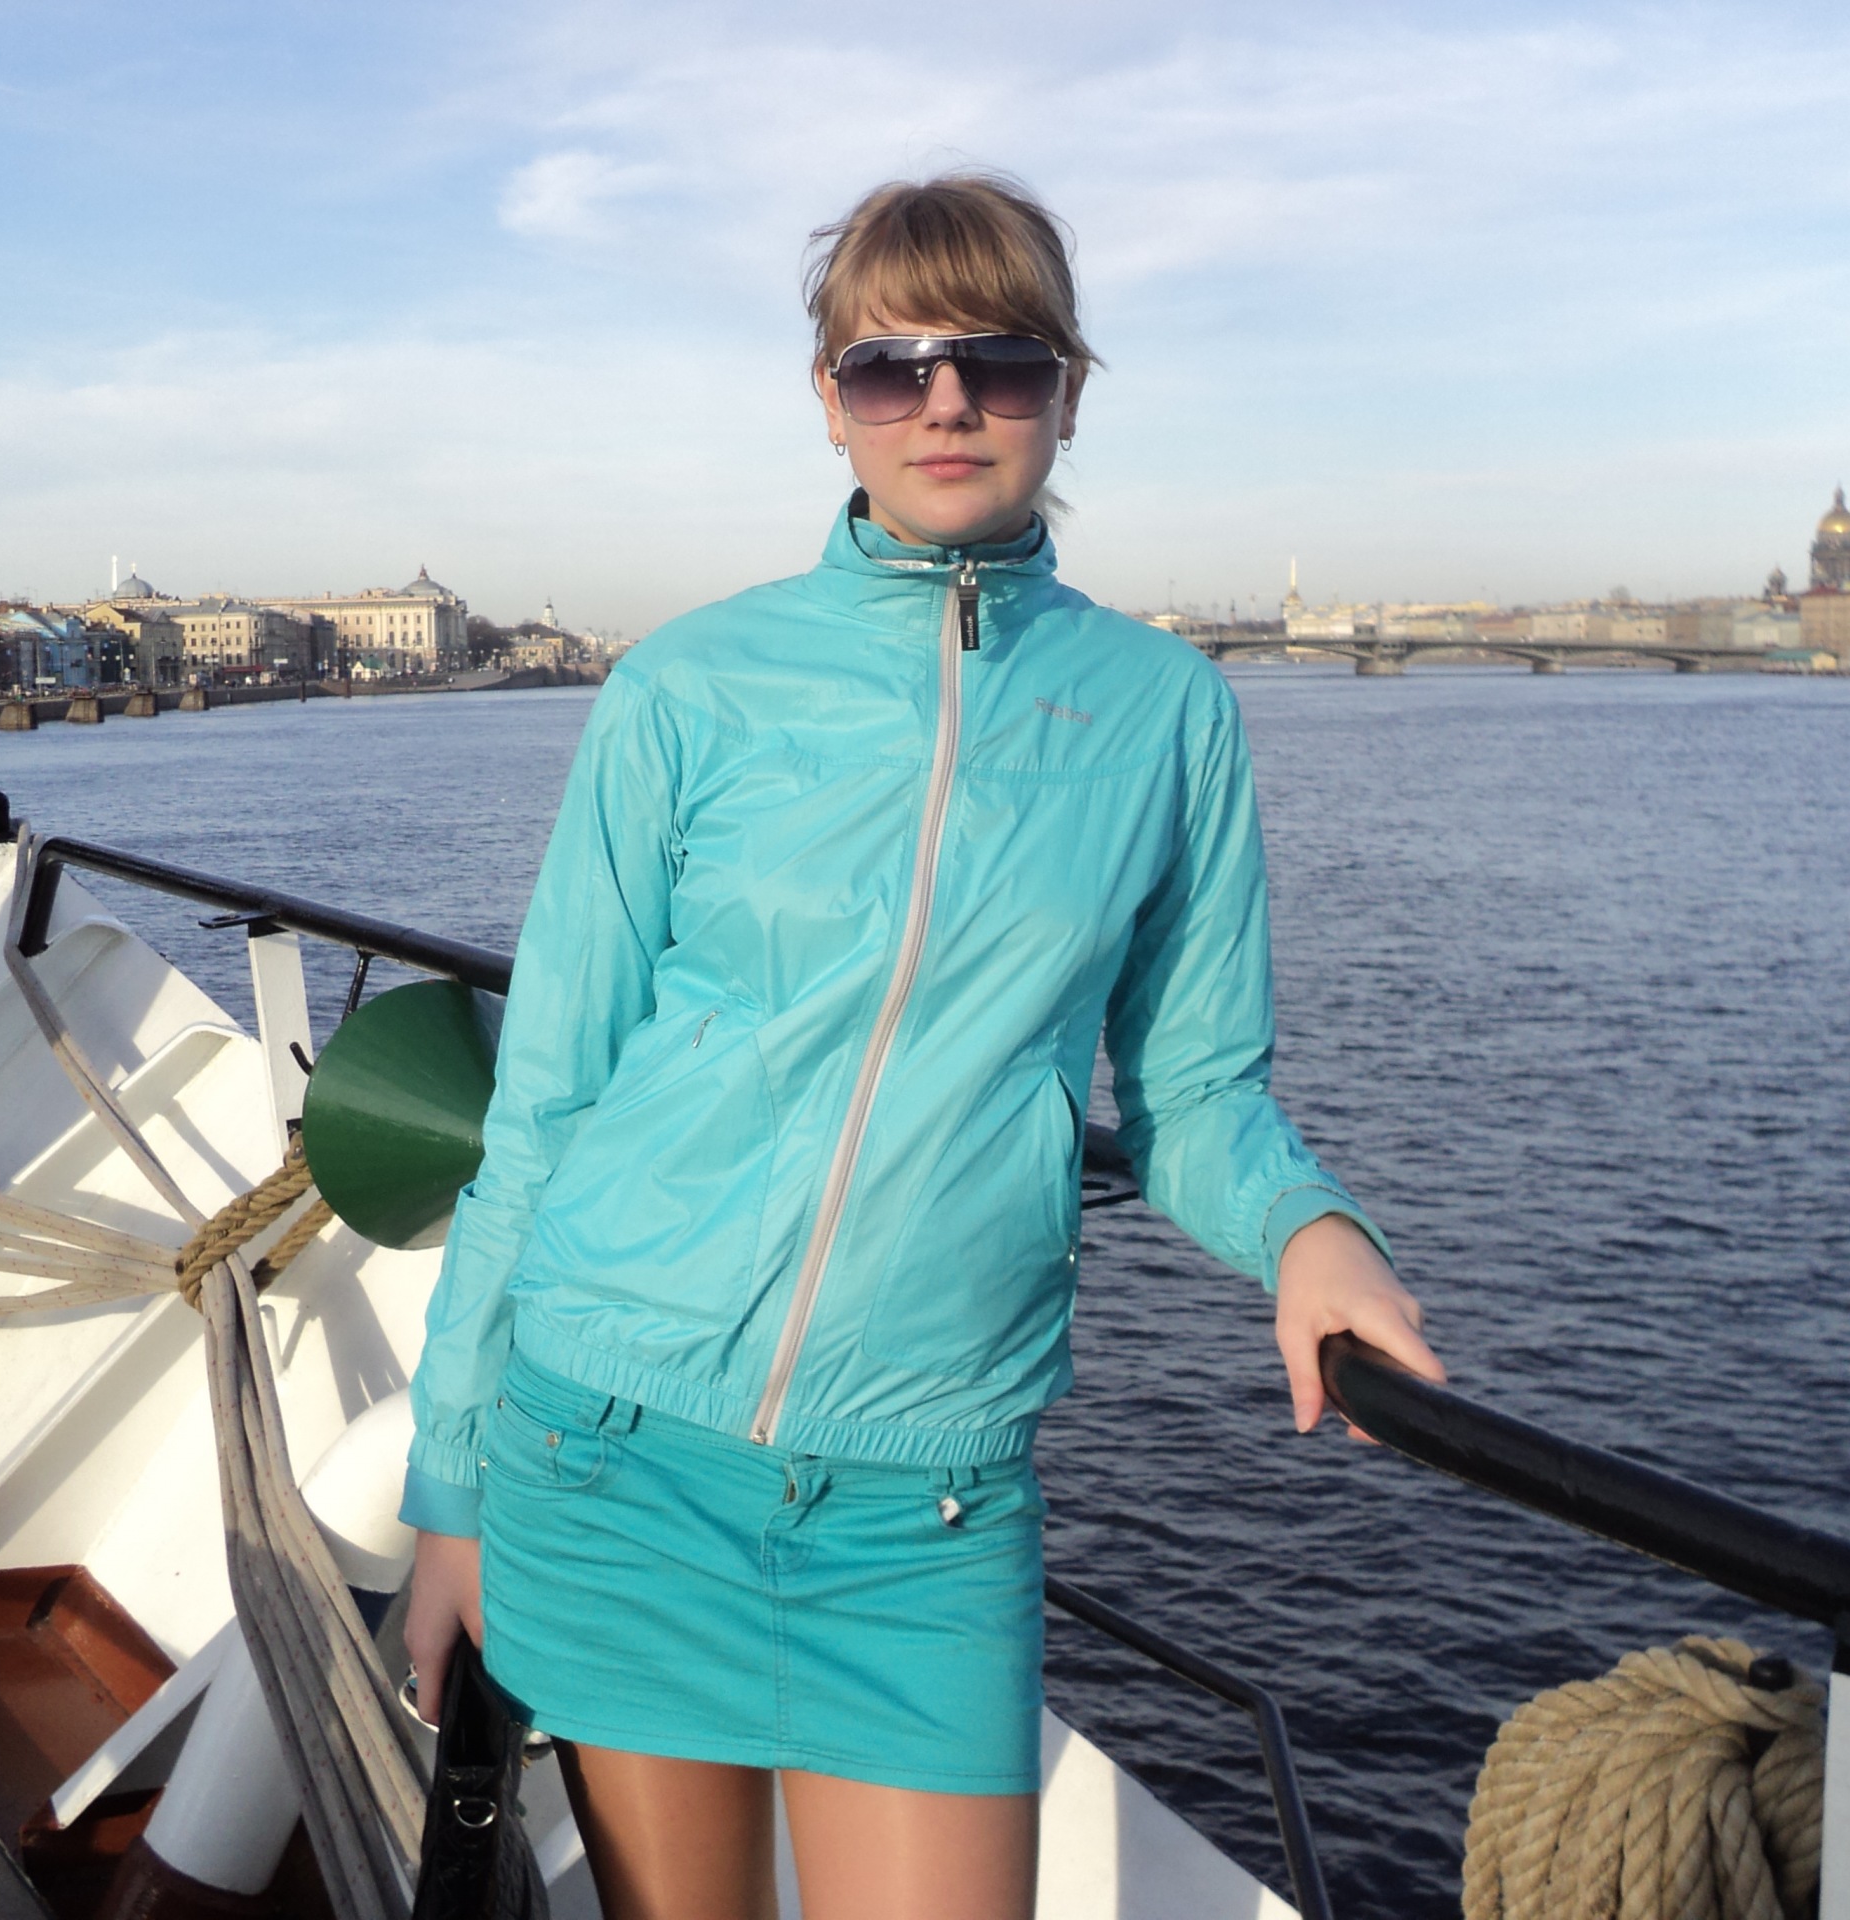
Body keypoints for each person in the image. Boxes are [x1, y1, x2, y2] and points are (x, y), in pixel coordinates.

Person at [399, 171, 1444, 1920]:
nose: (946, 401)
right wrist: (452, 1485)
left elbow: (1194, 1091)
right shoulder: (687, 687)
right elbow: (551, 1104)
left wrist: (1308, 1230)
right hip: (614, 1450)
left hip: (926, 1513)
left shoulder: (1165, 714)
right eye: (892, 367)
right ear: (833, 404)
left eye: (999, 362)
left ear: (1067, 392)